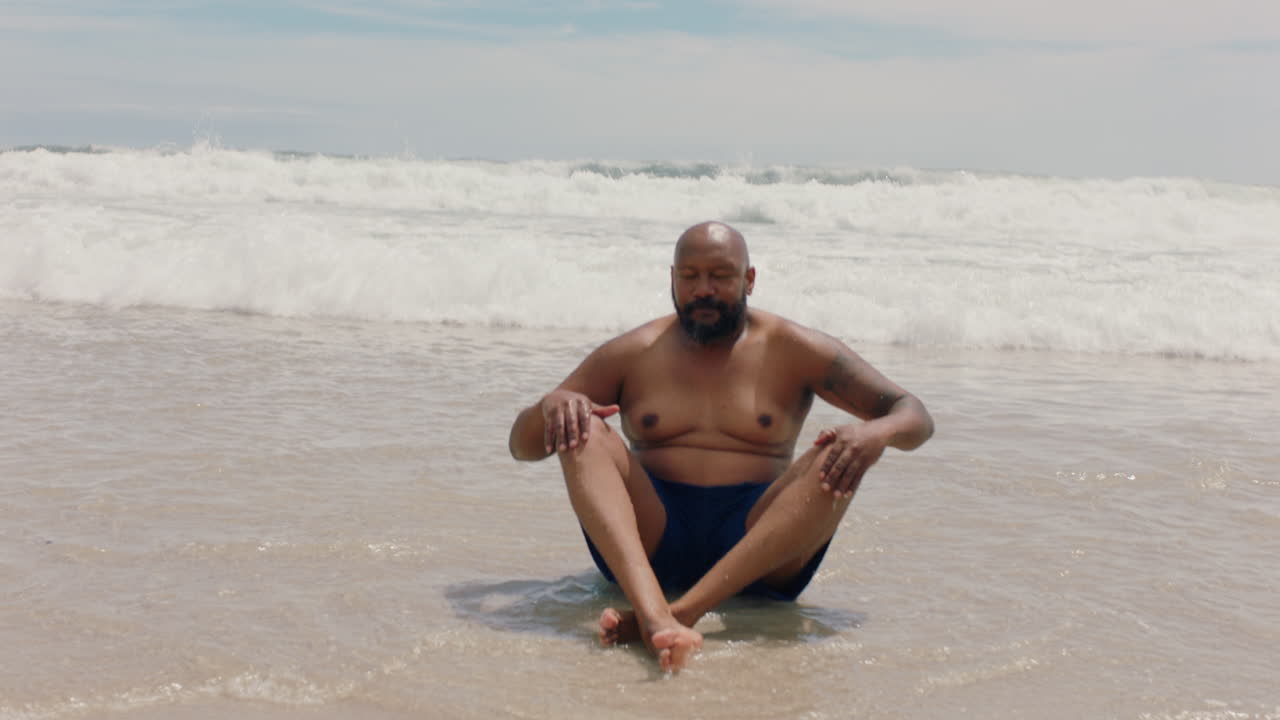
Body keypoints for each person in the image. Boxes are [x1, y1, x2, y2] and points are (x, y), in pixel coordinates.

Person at [507, 221, 934, 672]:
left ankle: (674, 617)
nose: (703, 289)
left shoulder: (793, 348)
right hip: (653, 538)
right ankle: (655, 613)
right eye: (689, 277)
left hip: (759, 548)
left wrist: (875, 434)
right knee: (583, 428)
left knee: (840, 452)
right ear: (671, 279)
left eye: (721, 275)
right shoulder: (634, 352)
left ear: (750, 279)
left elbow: (913, 414)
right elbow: (523, 445)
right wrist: (552, 405)